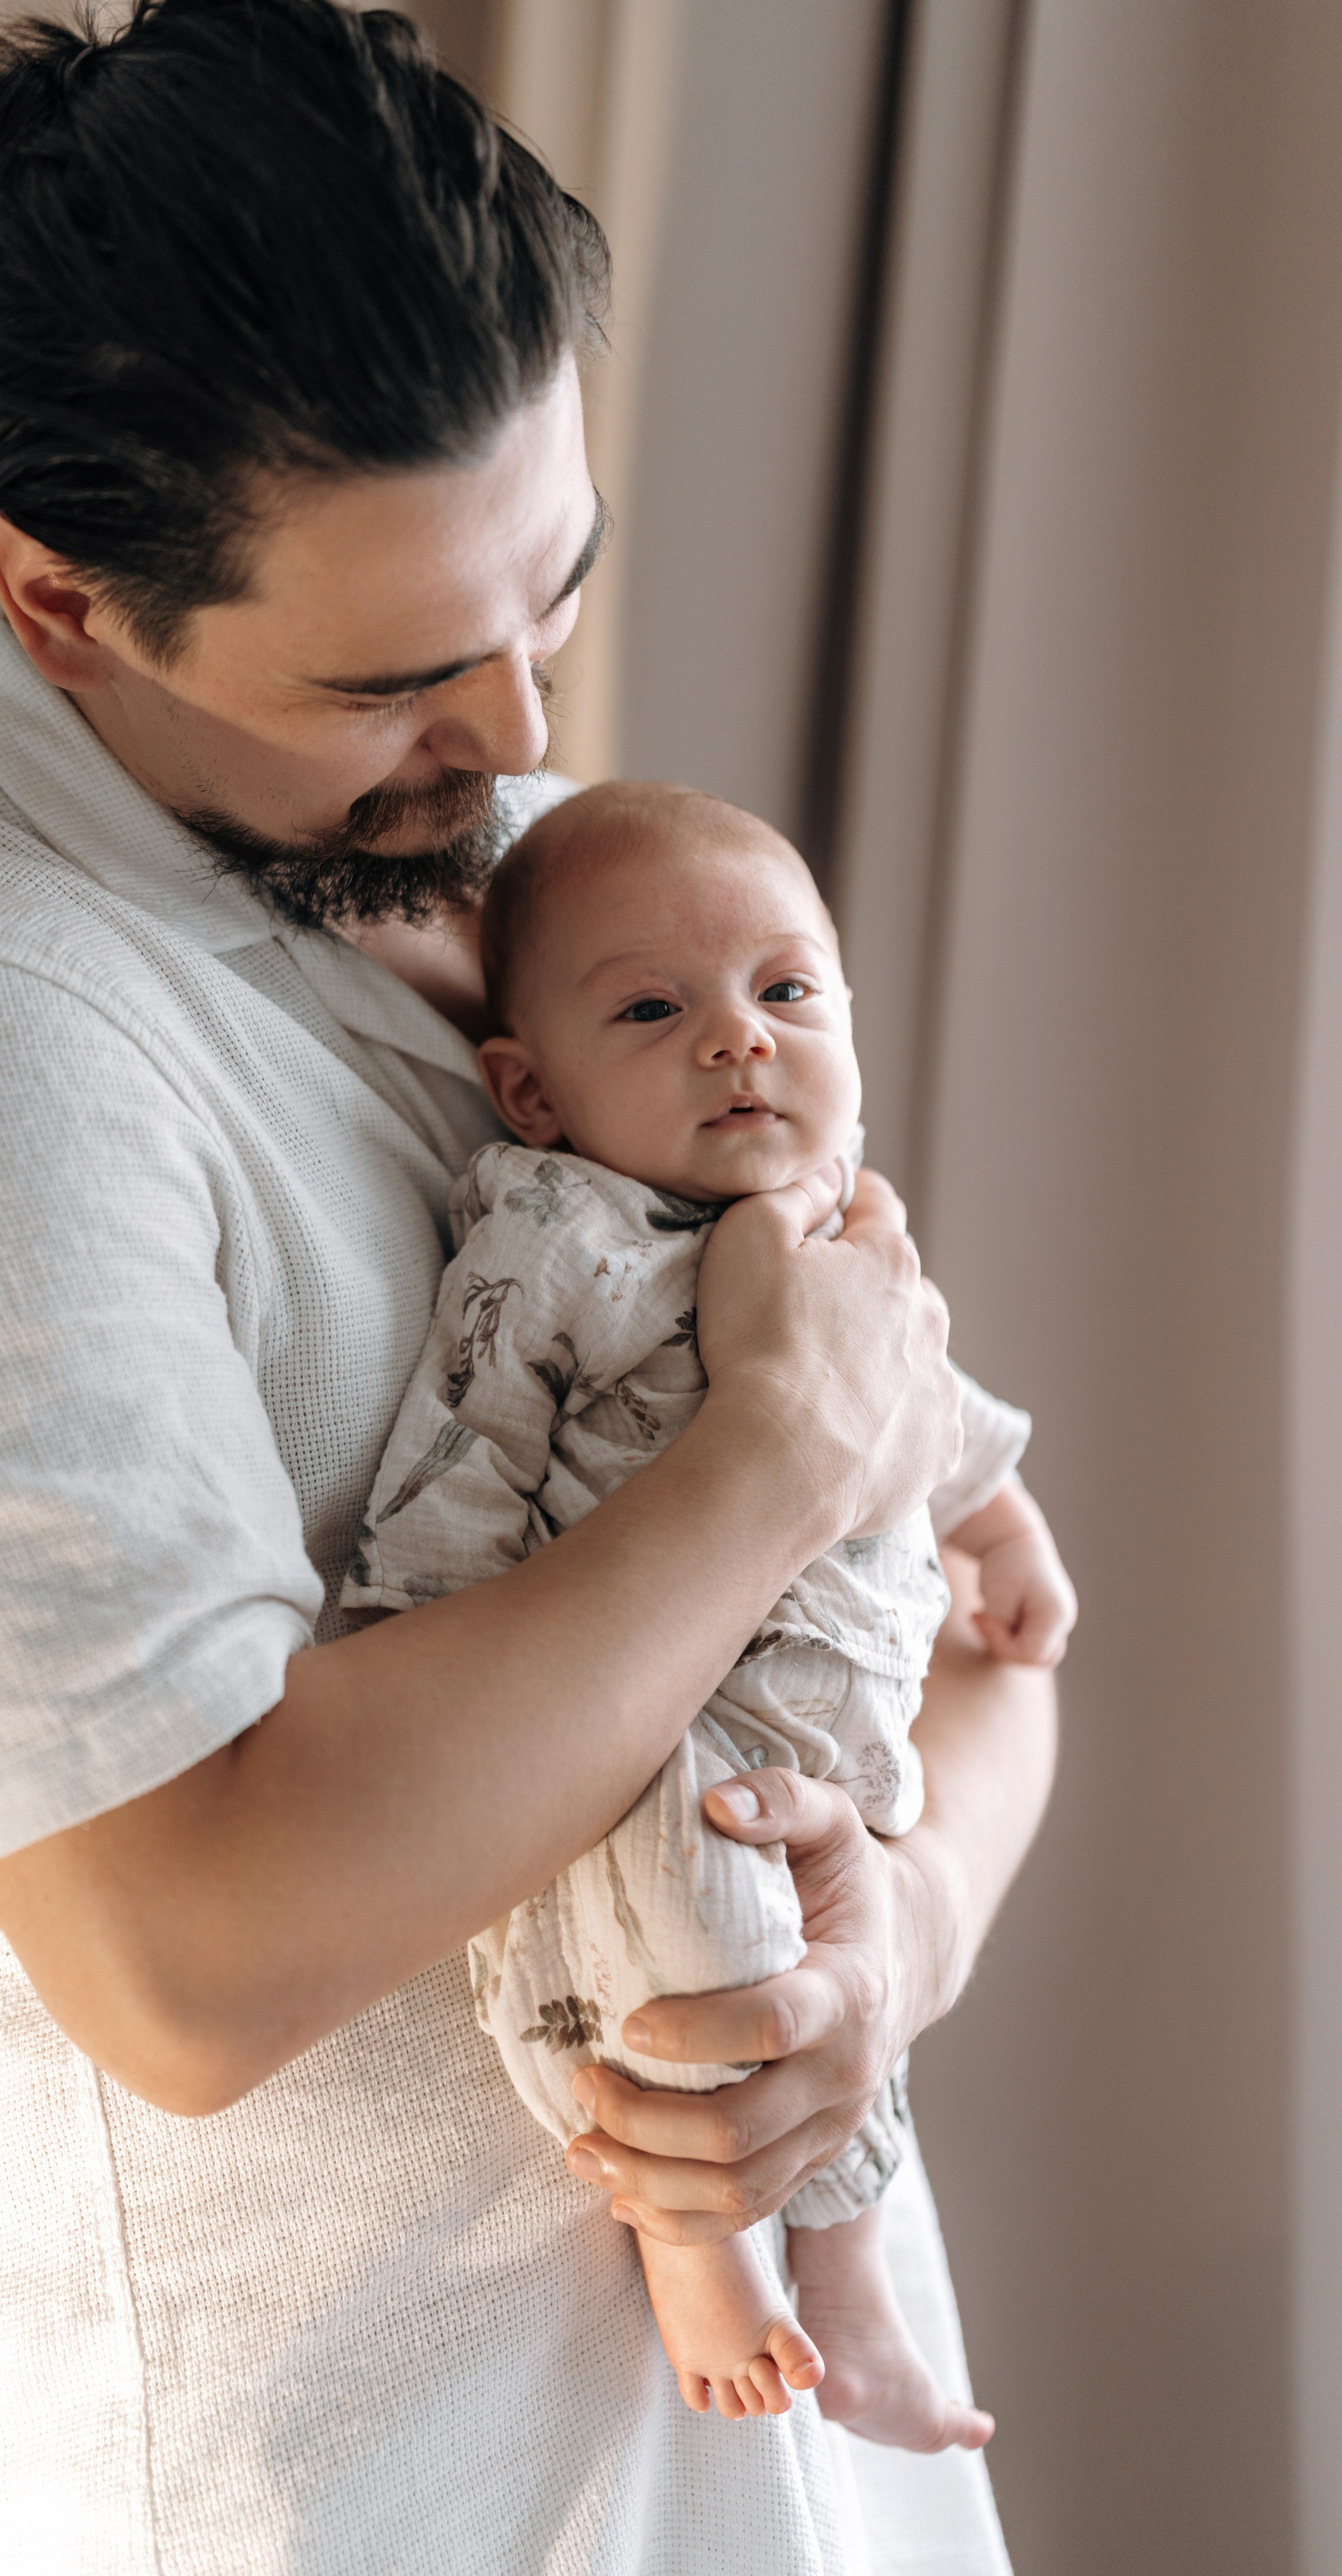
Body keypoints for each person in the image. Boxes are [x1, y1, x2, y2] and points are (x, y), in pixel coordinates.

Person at [0, 6, 1055, 2569]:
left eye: (558, 590)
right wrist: (779, 1462)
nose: (522, 728)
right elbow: (190, 1958)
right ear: (61, 596)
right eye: (398, 674)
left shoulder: (539, 897)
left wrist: (887, 1960)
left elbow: (987, 1624)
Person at [344, 780, 1076, 2445]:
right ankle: (691, 2245)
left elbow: (924, 1396)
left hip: (853, 1724)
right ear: (530, 1091)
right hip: (666, 1728)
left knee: (848, 1989)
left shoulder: (839, 1224)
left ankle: (859, 2292)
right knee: (704, 1955)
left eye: (784, 993)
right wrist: (424, 1633)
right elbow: (472, 1435)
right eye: (655, 1012)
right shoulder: (558, 1235)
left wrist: (1000, 1516)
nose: (738, 1043)